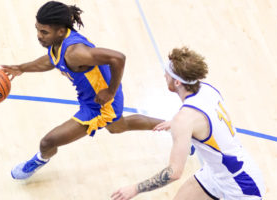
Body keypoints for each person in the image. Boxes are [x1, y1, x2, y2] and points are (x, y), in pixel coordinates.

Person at [2, 1, 163, 180]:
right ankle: (174, 126)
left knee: (48, 142)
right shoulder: (59, 43)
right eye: (38, 30)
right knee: (118, 126)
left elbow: (118, 58)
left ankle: (39, 160)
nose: (39, 36)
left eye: (44, 32)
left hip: (100, 105)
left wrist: (110, 92)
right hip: (92, 97)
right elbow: (51, 60)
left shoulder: (75, 52)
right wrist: (22, 68)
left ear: (61, 31)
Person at [111, 47, 265, 200]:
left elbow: (174, 172)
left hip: (242, 187)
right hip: (216, 172)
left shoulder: (185, 119)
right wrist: (176, 123)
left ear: (177, 82)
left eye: (167, 74)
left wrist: (135, 189)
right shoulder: (207, 89)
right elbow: (206, 119)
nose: (164, 76)